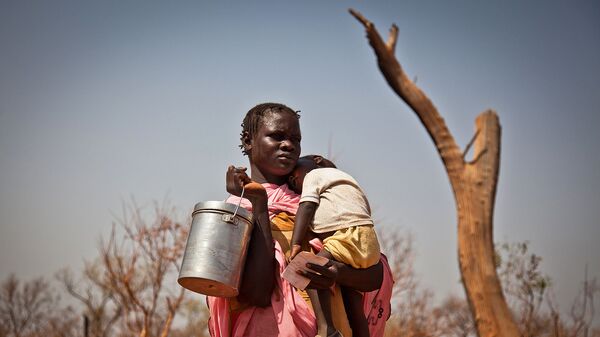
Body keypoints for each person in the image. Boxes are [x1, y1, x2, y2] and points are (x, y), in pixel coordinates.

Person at [206, 103, 393, 337]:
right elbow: (256, 293)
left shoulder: (320, 201)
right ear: (248, 141)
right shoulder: (236, 211)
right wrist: (259, 204)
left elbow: (373, 271)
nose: (288, 145)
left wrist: (337, 273)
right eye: (277, 136)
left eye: (296, 139)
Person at [287, 155, 380, 337]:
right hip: (369, 242)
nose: (292, 181)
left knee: (309, 269)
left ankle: (326, 329)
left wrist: (296, 243)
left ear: (317, 160)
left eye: (294, 175)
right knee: (353, 300)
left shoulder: (315, 174)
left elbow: (306, 207)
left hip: (346, 237)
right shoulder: (348, 182)